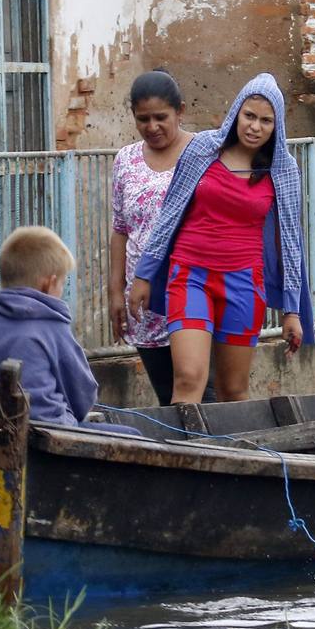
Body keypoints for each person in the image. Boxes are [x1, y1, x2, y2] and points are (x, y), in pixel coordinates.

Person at [127, 73, 315, 403]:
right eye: (249, 116)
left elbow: (289, 241)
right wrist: (144, 274)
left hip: (243, 283)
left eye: (266, 120)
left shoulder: (282, 170)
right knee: (187, 379)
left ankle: (232, 454)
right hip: (189, 276)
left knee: (232, 390)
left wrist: (292, 311)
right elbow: (170, 212)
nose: (255, 127)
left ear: (277, 126)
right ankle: (186, 454)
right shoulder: (202, 149)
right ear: (236, 114)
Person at [0, 226, 140, 436]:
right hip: (47, 436)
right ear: (49, 283)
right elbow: (82, 394)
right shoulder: (51, 322)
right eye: (62, 284)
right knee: (134, 437)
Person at [108, 69, 213, 406]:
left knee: (205, 394)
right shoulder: (125, 160)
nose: (152, 127)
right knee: (169, 397)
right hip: (145, 299)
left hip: (197, 288)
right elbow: (120, 229)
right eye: (143, 119)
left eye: (160, 117)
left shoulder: (205, 153)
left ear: (180, 111)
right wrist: (114, 292)